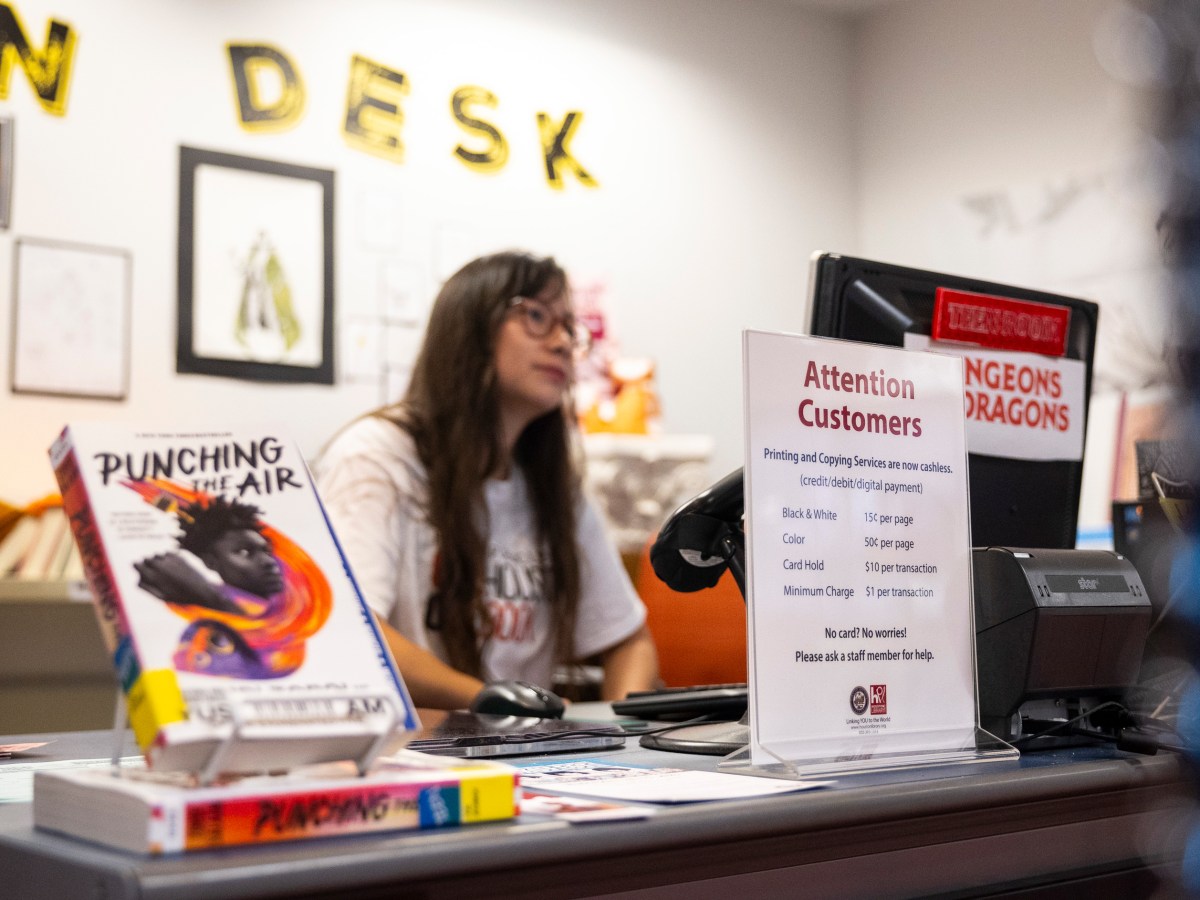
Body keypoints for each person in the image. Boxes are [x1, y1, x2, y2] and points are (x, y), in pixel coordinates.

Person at [316, 250, 659, 709]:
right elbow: (354, 630)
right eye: (536, 316)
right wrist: (492, 701)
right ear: (469, 330)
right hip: (416, 752)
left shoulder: (554, 485)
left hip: (526, 751)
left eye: (568, 328)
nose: (561, 342)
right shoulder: (377, 456)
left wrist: (624, 737)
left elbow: (628, 641)